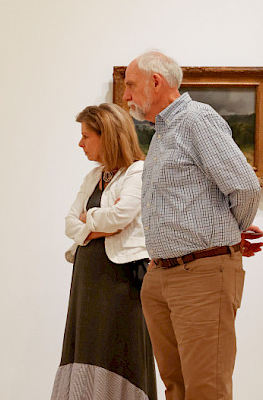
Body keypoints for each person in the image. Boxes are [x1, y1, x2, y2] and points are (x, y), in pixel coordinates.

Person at [123, 50, 262, 400]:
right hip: (161, 277)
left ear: (156, 82)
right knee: (177, 389)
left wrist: (227, 237)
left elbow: (245, 187)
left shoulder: (196, 119)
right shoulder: (160, 135)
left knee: (206, 390)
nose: (126, 95)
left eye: (130, 85)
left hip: (200, 274)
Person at [51, 103, 157, 400]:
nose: (80, 143)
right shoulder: (94, 176)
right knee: (87, 345)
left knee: (121, 349)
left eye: (86, 136)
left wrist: (91, 219)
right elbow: (70, 222)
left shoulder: (139, 171)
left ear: (107, 135)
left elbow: (120, 217)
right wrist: (98, 224)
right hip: (88, 276)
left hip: (121, 279)